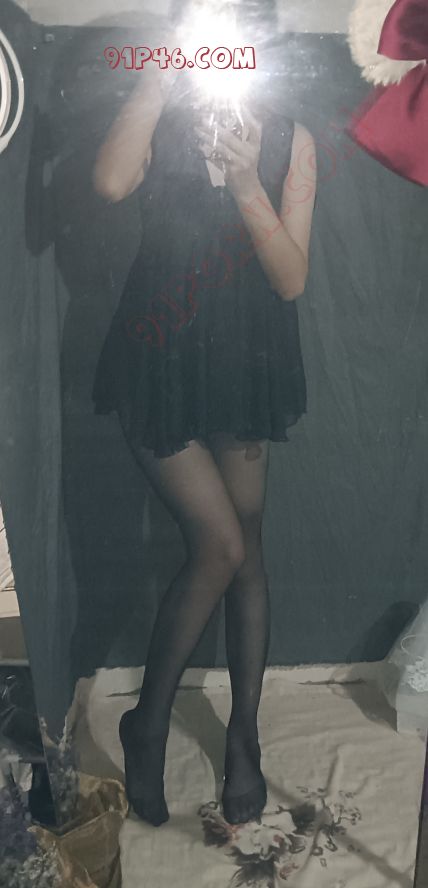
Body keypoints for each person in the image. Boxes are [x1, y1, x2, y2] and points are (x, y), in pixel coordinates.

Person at [91, 0, 316, 828]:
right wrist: (159, 75)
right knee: (219, 545)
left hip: (247, 363)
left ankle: (244, 739)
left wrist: (250, 179)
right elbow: (111, 182)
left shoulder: (293, 137)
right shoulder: (161, 107)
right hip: (161, 357)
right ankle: (147, 723)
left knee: (247, 550)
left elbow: (290, 279)